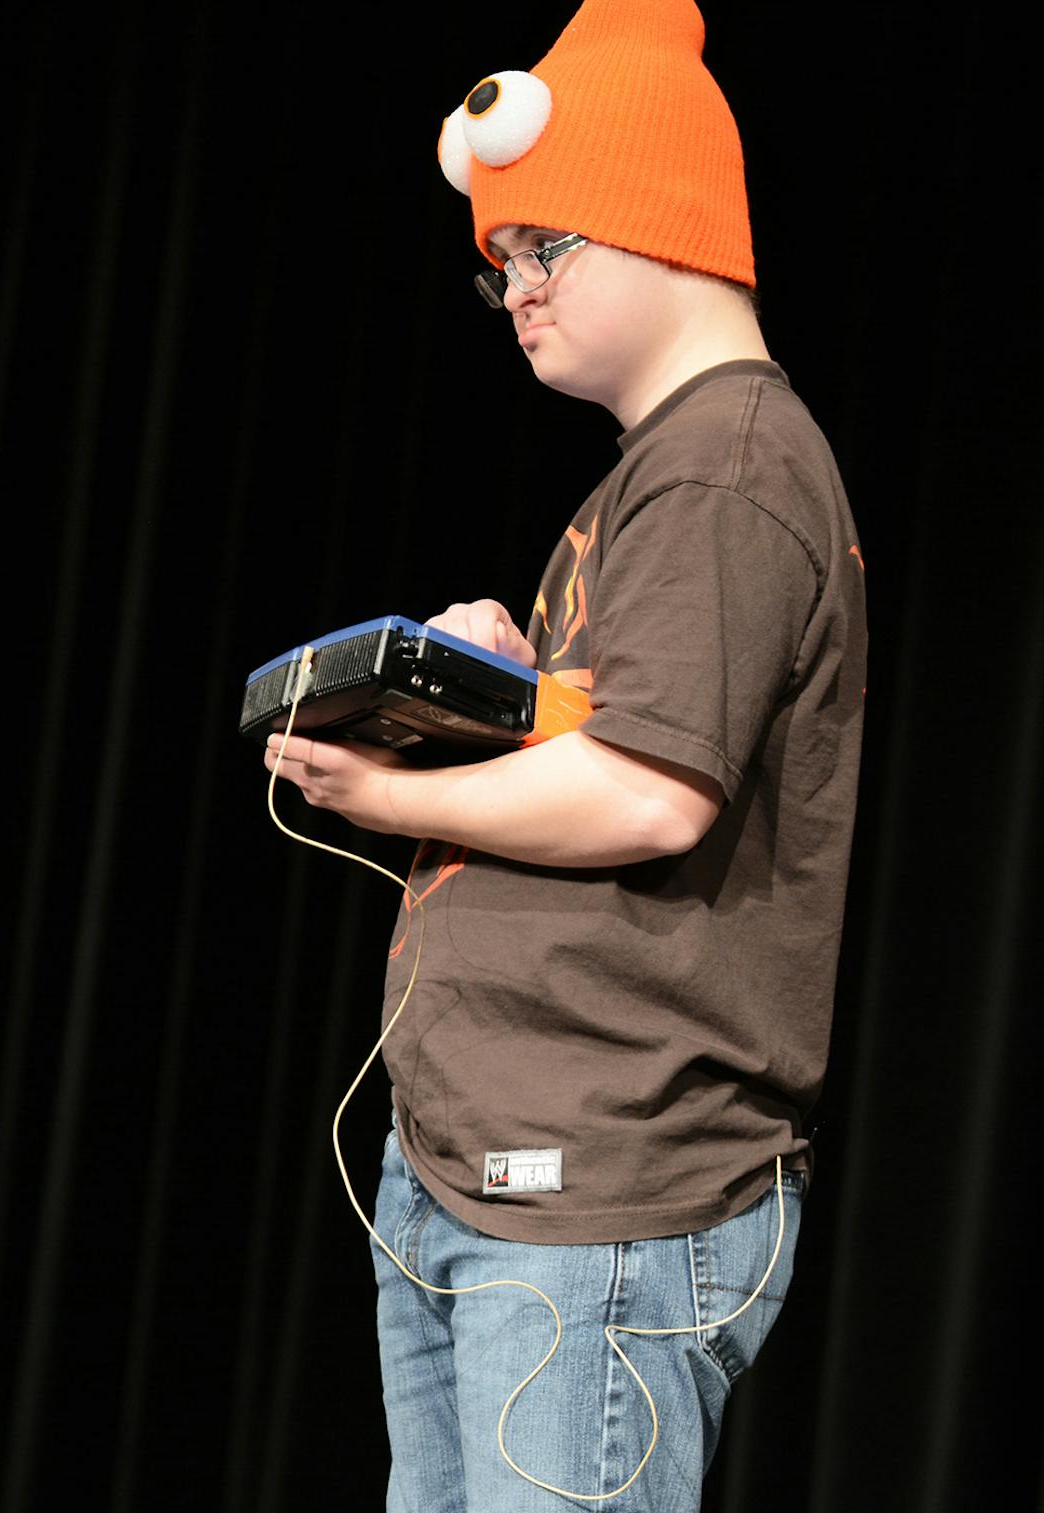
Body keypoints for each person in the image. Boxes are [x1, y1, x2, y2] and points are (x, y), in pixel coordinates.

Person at [264, 1, 865, 1505]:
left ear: (660, 217)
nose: (517, 289)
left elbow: (651, 794)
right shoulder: (663, 473)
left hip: (597, 1195)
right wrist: (519, 694)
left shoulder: (726, 468)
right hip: (489, 1176)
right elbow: (634, 731)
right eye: (503, 263)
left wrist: (389, 788)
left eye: (546, 247)